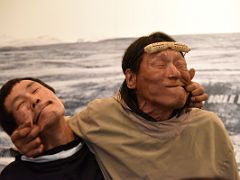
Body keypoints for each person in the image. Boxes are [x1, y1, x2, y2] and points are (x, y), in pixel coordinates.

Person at [9, 32, 237, 179]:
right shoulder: (102, 117)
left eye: (180, 64)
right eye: (159, 64)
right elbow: (59, 131)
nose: (174, 73)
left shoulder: (208, 126)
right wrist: (26, 146)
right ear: (131, 79)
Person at [0, 77, 104, 180]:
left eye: (35, 90)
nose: (34, 99)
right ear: (17, 131)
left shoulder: (102, 142)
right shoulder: (13, 176)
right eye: (20, 104)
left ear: (58, 98)